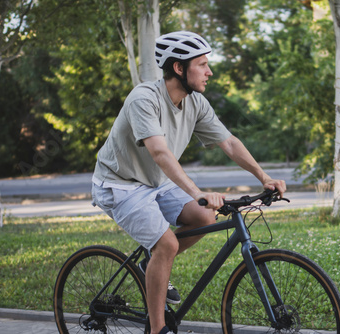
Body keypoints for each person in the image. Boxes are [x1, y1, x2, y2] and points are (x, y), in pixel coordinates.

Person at [91, 31, 286, 334]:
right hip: (120, 184)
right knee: (167, 243)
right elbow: (159, 152)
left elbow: (230, 143)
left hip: (155, 181)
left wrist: (264, 177)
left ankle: (151, 264)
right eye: (202, 64)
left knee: (204, 216)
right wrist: (197, 192)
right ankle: (158, 330)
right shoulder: (144, 98)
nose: (209, 72)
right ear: (179, 68)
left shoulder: (196, 103)